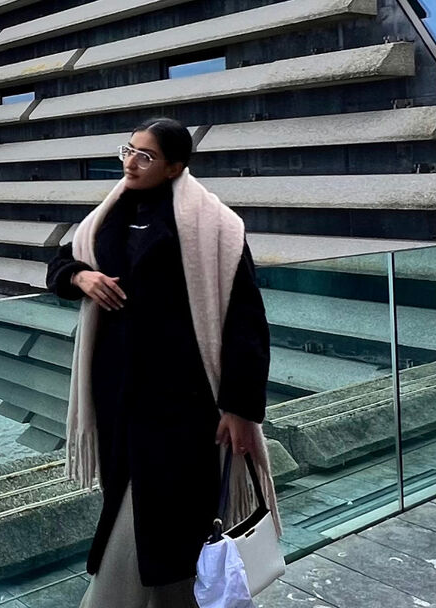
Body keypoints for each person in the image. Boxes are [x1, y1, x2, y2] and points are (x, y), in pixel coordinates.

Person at [45, 118, 280, 607]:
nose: (130, 162)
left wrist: (240, 409)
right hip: (116, 393)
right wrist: (80, 278)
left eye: (145, 156)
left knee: (167, 518)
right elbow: (58, 264)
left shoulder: (214, 226)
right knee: (134, 506)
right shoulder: (106, 216)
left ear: (175, 166)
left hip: (185, 402)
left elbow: (245, 320)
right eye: (128, 150)